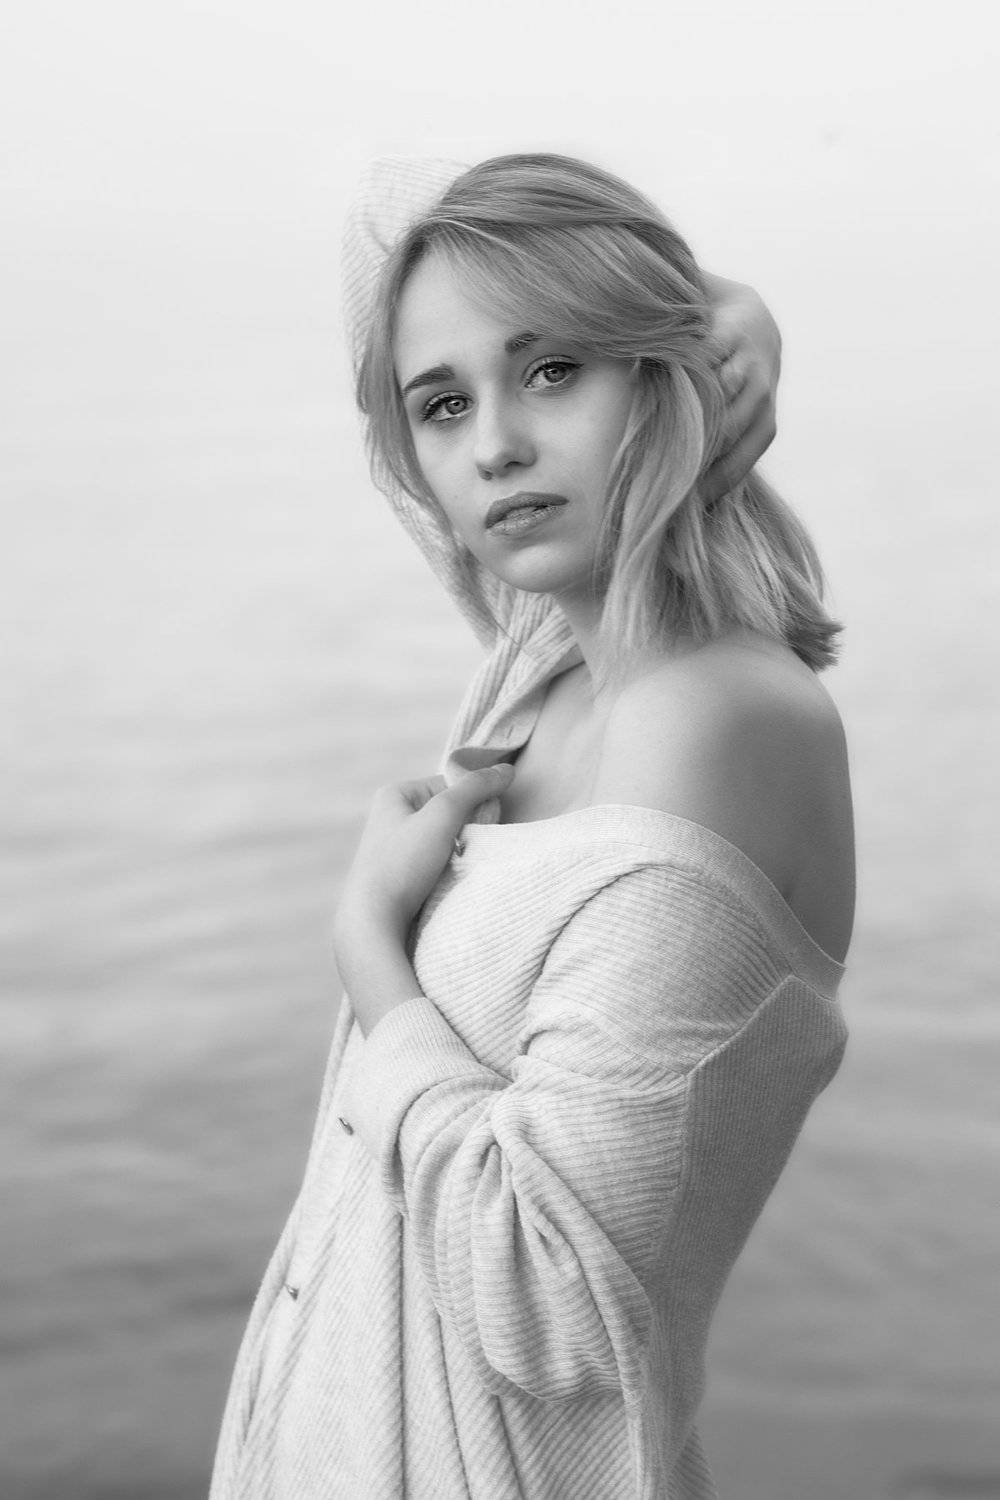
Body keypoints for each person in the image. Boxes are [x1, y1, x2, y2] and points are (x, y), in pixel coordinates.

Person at [209, 153, 854, 1500]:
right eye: (443, 406)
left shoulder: (717, 721)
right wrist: (727, 302)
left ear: (662, 377)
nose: (495, 444)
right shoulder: (544, 662)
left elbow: (550, 1302)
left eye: (553, 371)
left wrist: (370, 943)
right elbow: (394, 242)